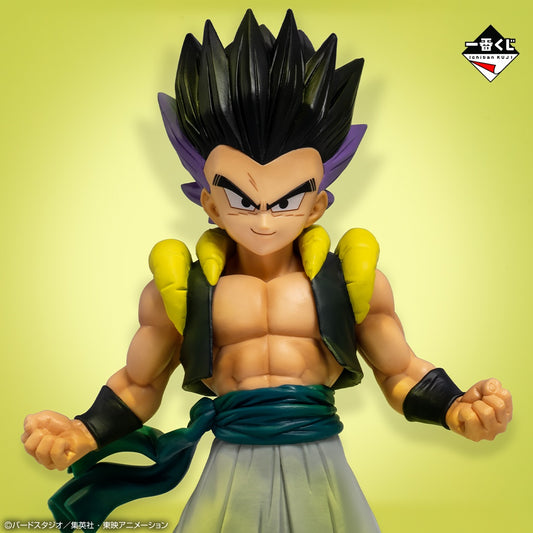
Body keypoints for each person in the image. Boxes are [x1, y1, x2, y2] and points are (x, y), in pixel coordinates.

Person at [22, 10, 512, 532]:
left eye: (285, 201)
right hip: (232, 462)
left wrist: (455, 407)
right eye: (241, 199)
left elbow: (400, 370)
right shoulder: (183, 290)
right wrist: (83, 431)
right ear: (209, 203)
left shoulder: (349, 282)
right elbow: (139, 383)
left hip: (321, 462)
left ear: (317, 205)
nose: (262, 219)